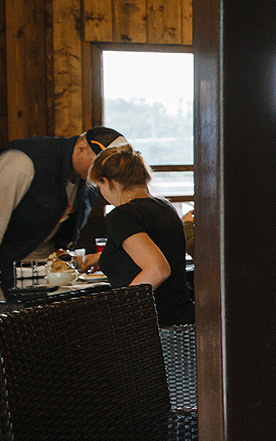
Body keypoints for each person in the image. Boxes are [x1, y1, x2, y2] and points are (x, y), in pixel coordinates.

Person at [0, 127, 124, 286]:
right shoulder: (22, 163)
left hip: (45, 270)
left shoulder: (88, 181)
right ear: (81, 149)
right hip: (9, 270)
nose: (102, 174)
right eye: (99, 164)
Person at [88, 144, 194, 325]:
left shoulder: (122, 215)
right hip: (179, 319)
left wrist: (120, 310)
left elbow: (158, 269)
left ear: (109, 181)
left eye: (100, 186)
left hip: (149, 325)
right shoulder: (166, 207)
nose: (102, 193)